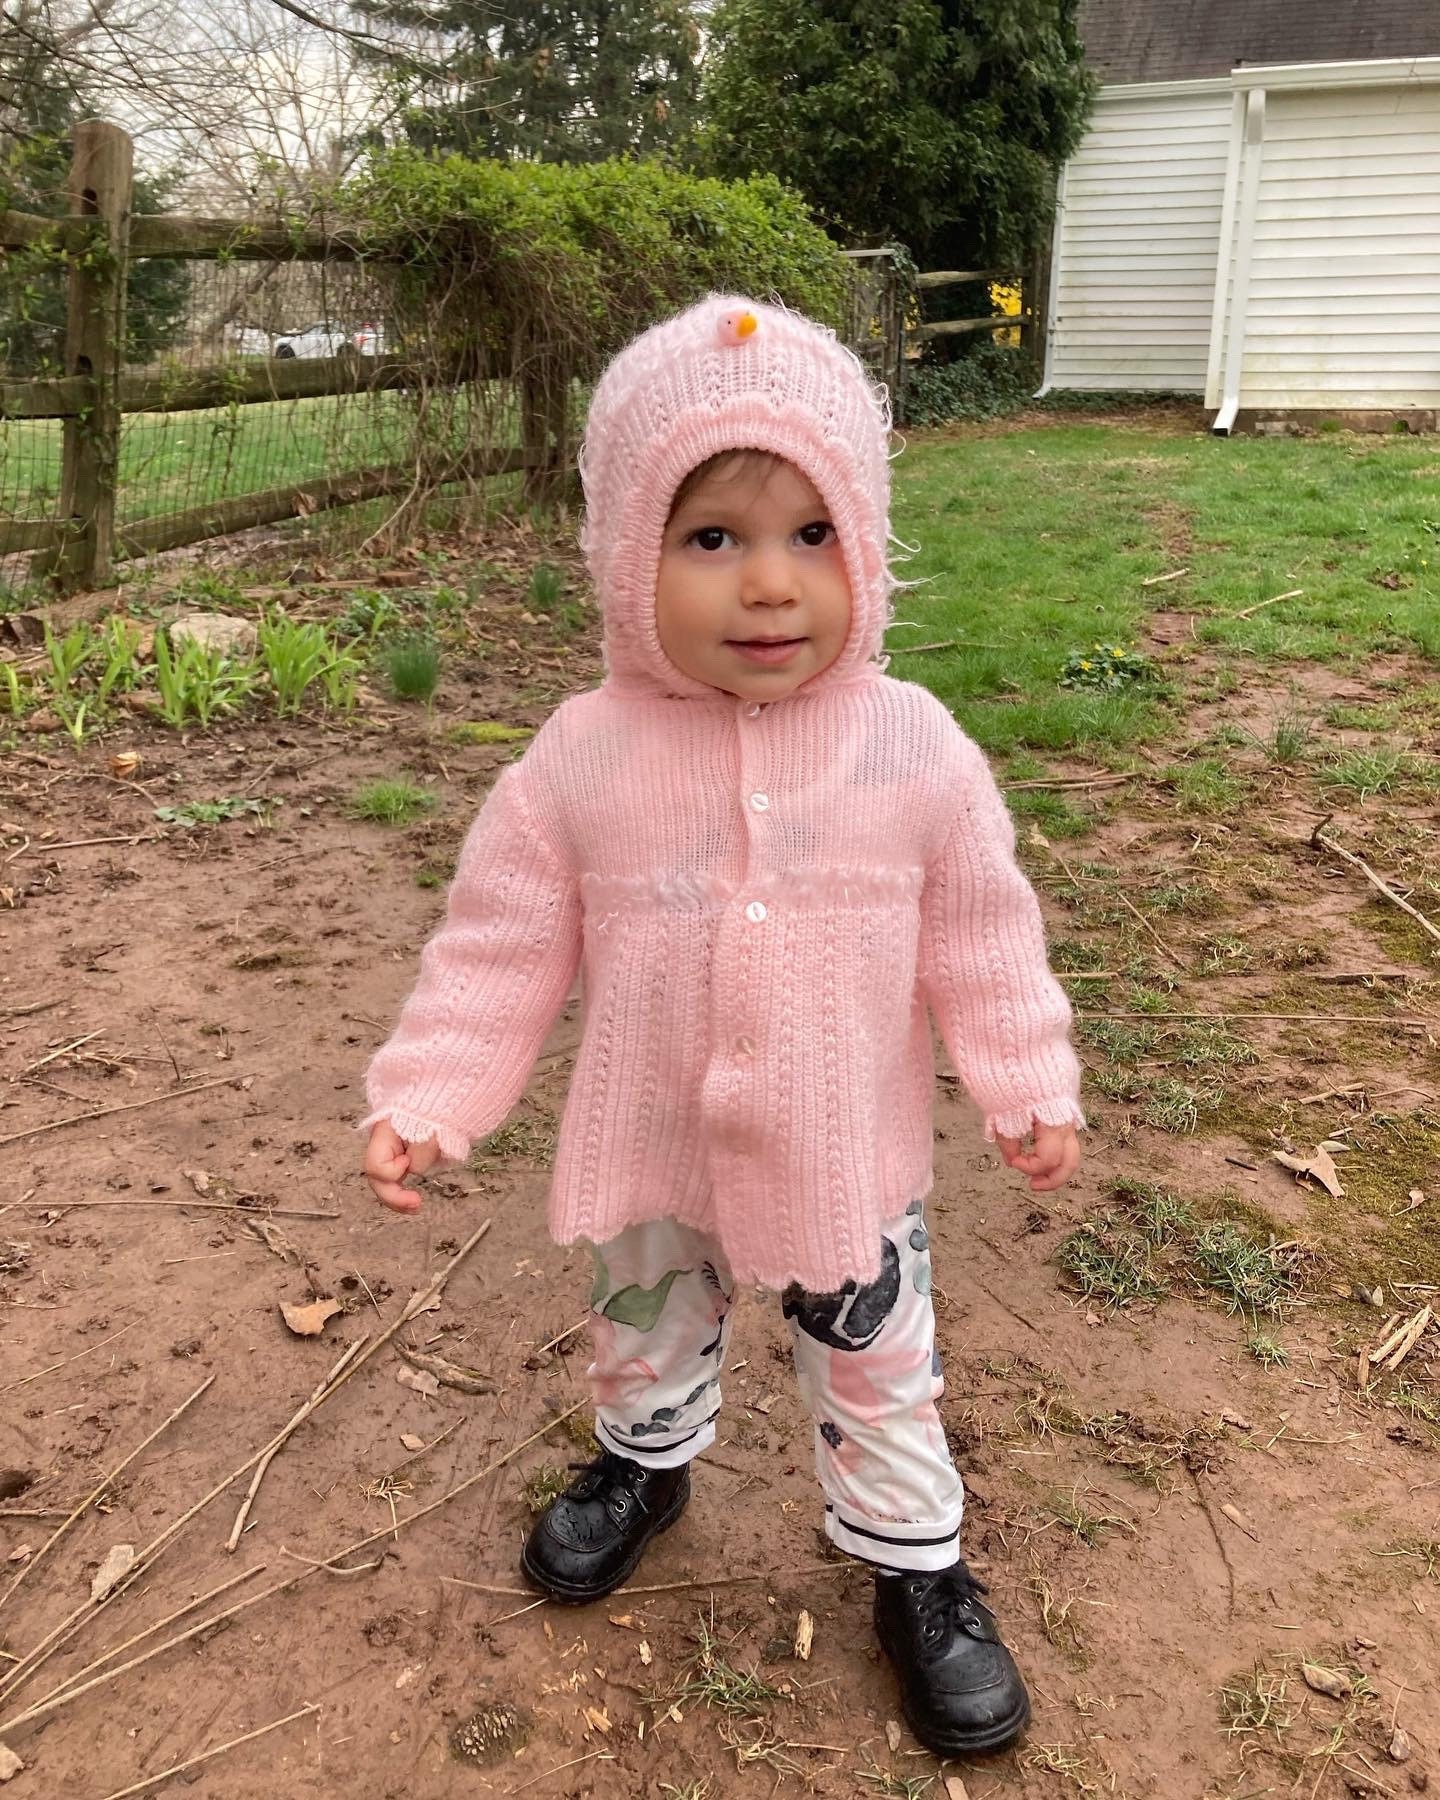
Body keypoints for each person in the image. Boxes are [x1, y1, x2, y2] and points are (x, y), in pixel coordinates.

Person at [361, 296, 1083, 1757]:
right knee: (645, 1333)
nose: (769, 587)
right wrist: (434, 1087)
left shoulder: (912, 745)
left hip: (844, 1158)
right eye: (713, 539)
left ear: (865, 549)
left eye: (811, 536)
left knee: (880, 1371)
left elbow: (983, 928)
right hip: (652, 1150)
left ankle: (913, 1562)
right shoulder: (585, 756)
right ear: (628, 559)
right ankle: (644, 1465)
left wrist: (1024, 1076)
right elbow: (503, 942)